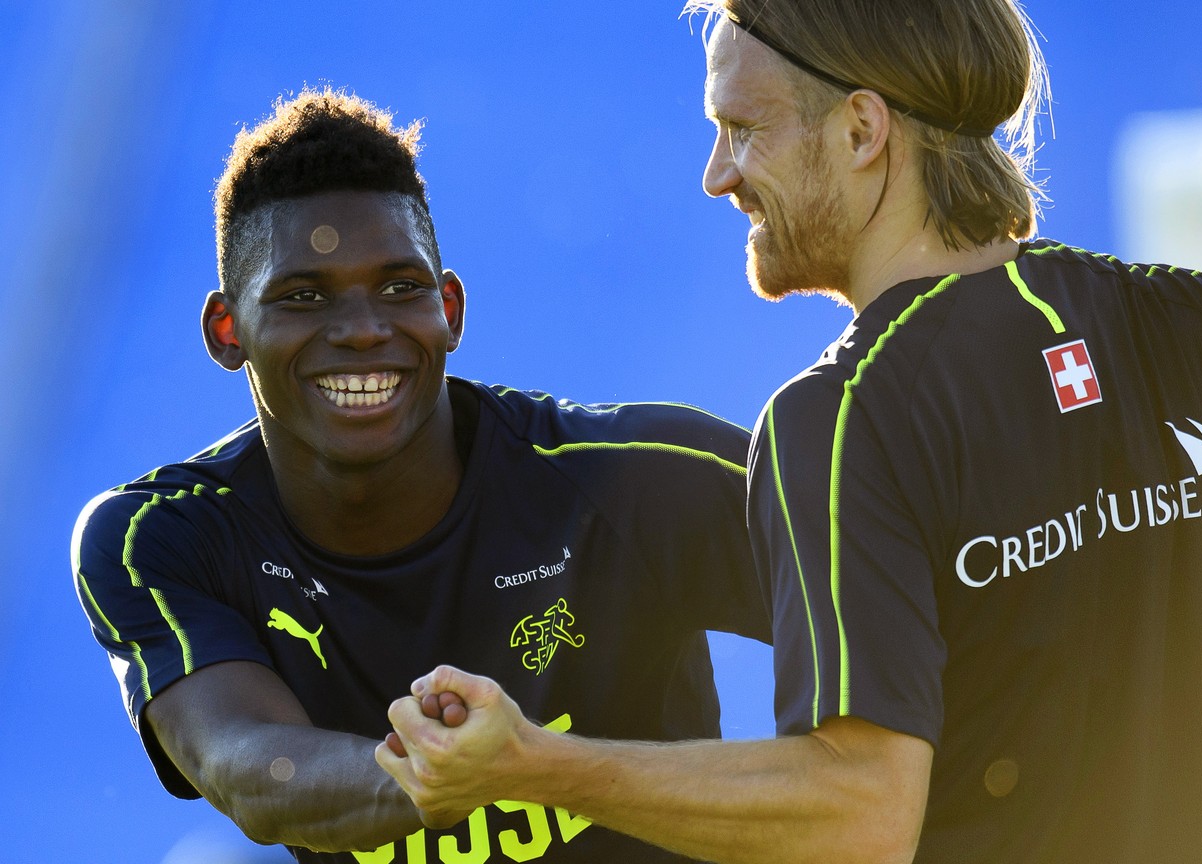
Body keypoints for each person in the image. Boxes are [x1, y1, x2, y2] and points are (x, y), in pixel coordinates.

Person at [377, 2, 1202, 864]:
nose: (715, 174)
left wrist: (535, 765)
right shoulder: (1176, 317)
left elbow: (859, 810)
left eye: (741, 128)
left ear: (864, 130)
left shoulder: (838, 420)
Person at [70, 87, 770, 863]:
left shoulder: (641, 476)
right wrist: (442, 773)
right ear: (228, 331)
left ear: (451, 311)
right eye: (303, 296)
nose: (365, 330)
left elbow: (914, 641)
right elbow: (245, 766)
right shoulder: (160, 536)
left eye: (401, 288)